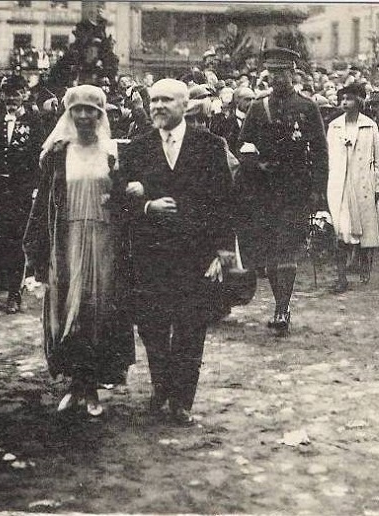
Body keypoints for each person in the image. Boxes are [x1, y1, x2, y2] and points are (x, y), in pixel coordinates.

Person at [123, 78, 233, 425]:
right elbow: (118, 199)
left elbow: (225, 201)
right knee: (152, 326)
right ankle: (161, 387)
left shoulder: (210, 146)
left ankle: (182, 400)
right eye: (154, 100)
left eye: (166, 100)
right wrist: (147, 206)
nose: (157, 106)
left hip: (194, 253)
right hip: (151, 253)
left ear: (185, 106)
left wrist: (222, 251)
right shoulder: (137, 148)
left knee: (190, 325)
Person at [23, 84, 135, 417]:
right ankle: (76, 384)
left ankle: (91, 386)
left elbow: (125, 201)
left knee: (98, 309)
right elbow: (44, 204)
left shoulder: (113, 153)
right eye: (78, 110)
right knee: (68, 310)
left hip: (105, 242)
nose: (84, 116)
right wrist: (35, 250)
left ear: (101, 114)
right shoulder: (57, 154)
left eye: (92, 110)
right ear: (69, 113)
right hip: (67, 240)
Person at [237, 48, 328, 335]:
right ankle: (280, 304)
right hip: (264, 190)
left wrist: (318, 190)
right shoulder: (258, 107)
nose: (276, 78)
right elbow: (242, 144)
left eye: (282, 73)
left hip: (295, 189)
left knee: (287, 248)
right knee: (270, 253)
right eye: (272, 73)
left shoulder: (307, 107)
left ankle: (281, 309)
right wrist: (254, 163)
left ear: (293, 73)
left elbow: (320, 152)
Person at [0, 75, 44, 313]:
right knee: (0, 239)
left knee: (17, 240)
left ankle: (14, 293)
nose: (11, 98)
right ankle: (3, 285)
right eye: (7, 94)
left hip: (22, 191)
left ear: (24, 94)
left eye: (16, 93)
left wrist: (36, 188)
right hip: (0, 190)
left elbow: (39, 159)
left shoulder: (35, 123)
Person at [326, 83, 379, 292]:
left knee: (365, 228)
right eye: (342, 99)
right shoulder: (334, 126)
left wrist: (378, 186)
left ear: (359, 102)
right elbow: (328, 157)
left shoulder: (369, 125)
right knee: (340, 230)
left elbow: (377, 159)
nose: (345, 102)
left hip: (362, 182)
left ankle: (364, 262)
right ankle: (341, 277)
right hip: (340, 183)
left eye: (349, 99)